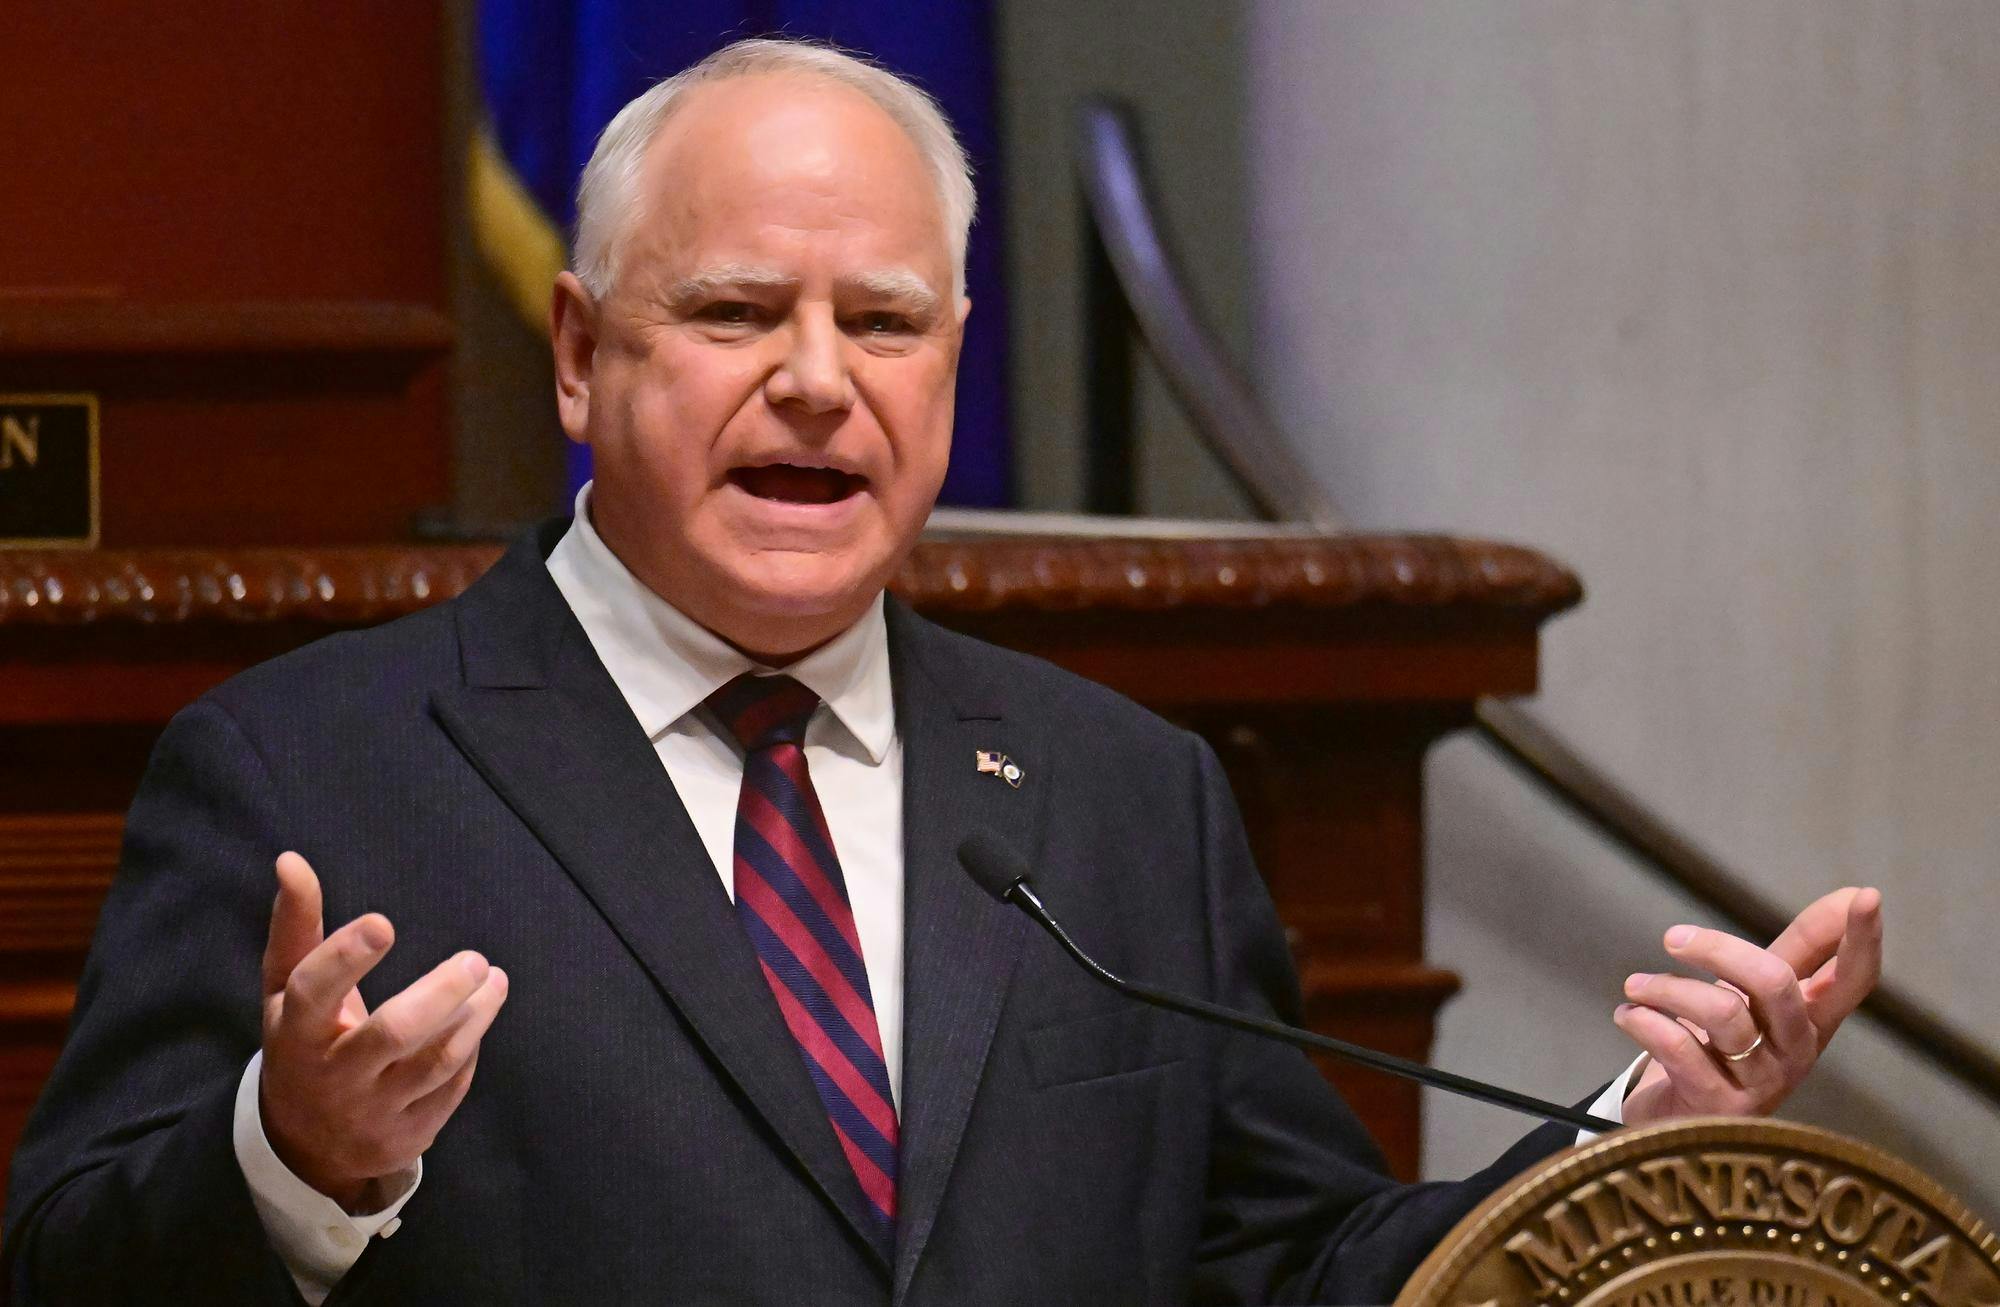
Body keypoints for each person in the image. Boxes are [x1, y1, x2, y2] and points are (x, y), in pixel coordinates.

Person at [2, 38, 1882, 1306]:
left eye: (882, 322)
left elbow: (1296, 1267)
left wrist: (1636, 1148)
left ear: (949, 368)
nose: (818, 379)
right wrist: (294, 1158)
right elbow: (66, 1268)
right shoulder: (309, 769)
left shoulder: (1124, 791)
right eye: (736, 311)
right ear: (578, 356)